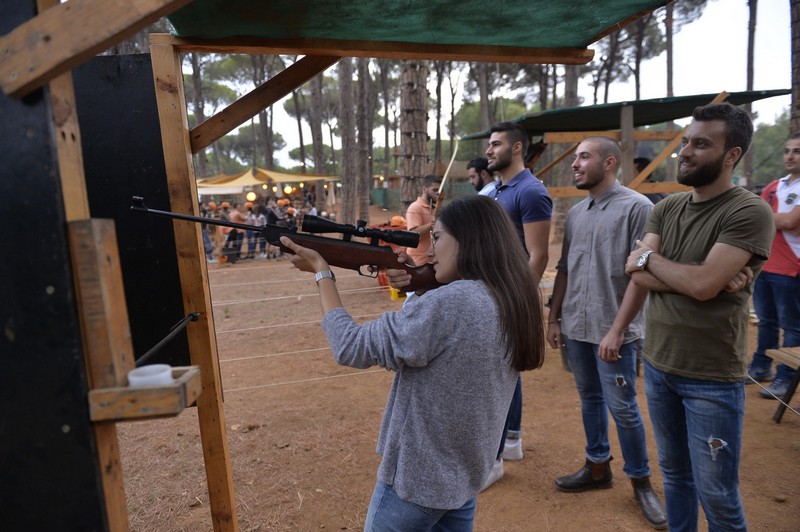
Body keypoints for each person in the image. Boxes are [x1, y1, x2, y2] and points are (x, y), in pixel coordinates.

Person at [280, 195, 545, 531]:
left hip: (418, 480)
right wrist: (418, 285)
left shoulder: (453, 302)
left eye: (437, 238)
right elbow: (435, 342)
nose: (429, 250)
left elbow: (350, 346)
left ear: (470, 240)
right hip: (463, 475)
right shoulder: (511, 295)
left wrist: (323, 274)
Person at [624, 103, 774, 531]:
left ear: (732, 155)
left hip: (711, 377)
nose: (686, 151)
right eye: (686, 141)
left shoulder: (748, 211)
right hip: (658, 365)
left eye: (701, 143)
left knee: (718, 496)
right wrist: (695, 279)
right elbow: (633, 271)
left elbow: (695, 282)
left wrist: (652, 260)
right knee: (675, 478)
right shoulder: (667, 208)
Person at [547, 137, 666, 529]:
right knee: (589, 398)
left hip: (615, 332)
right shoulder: (577, 212)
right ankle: (598, 466)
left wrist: (617, 330)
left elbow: (643, 275)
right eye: (576, 158)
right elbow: (565, 267)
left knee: (624, 408)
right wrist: (554, 317)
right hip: (578, 327)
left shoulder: (638, 208)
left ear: (610, 162)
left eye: (584, 157)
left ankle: (641, 481)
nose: (575, 165)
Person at [485, 121, 552, 463]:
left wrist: (516, 301)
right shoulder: (489, 193)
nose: (488, 150)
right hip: (483, 295)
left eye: (495, 144)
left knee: (502, 368)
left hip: (508, 297)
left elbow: (539, 254)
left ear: (515, 148)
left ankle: (496, 455)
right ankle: (511, 437)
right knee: (502, 367)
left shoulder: (531, 191)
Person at [745, 133, 800, 399]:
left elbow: (789, 222)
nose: (790, 156)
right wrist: (777, 218)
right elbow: (759, 216)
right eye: (787, 150)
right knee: (767, 321)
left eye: (797, 151)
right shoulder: (775, 185)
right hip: (766, 264)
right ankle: (760, 367)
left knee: (792, 326)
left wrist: (770, 218)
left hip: (792, 267)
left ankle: (786, 378)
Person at [404, 174, 442, 265]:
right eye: (435, 190)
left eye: (439, 191)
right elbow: (413, 234)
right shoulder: (415, 207)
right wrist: (431, 224)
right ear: (424, 189)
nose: (437, 194)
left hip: (433, 259)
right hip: (418, 261)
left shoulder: (434, 208)